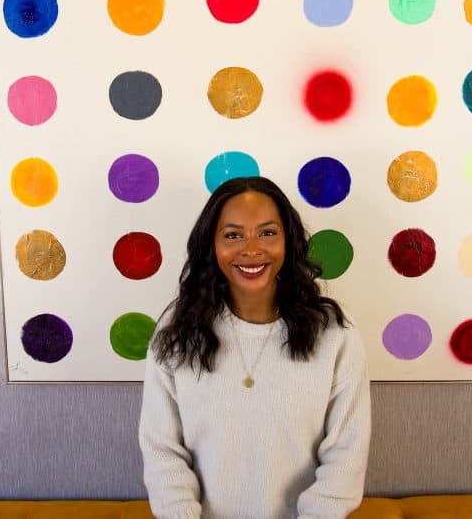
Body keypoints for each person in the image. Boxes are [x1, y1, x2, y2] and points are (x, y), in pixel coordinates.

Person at [139, 176, 371, 519]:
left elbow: (346, 454)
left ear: (288, 240)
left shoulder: (334, 332)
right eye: (233, 235)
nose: (251, 249)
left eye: (267, 233)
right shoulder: (176, 332)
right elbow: (162, 451)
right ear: (212, 244)